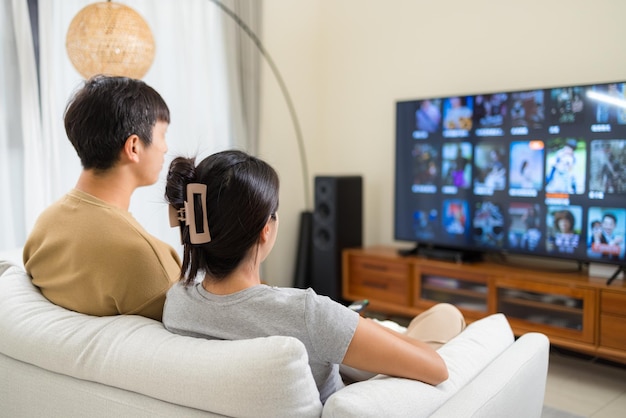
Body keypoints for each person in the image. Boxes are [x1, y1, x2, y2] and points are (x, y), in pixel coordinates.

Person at [163, 150, 466, 403]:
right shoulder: (306, 313)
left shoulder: (177, 302)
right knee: (447, 314)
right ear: (265, 230)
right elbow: (437, 369)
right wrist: (358, 327)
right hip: (362, 394)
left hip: (326, 357)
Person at [23, 75, 181, 321]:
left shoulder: (43, 228)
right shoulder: (145, 260)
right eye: (162, 134)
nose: (165, 148)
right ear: (133, 147)